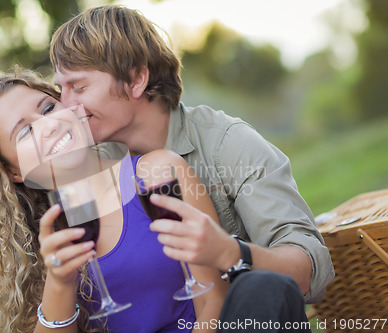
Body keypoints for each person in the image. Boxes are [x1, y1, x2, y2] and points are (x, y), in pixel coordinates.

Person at [50, 5, 335, 331]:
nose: (65, 105)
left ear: (136, 79)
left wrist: (231, 252)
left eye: (79, 87)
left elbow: (312, 274)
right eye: (61, 88)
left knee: (263, 286)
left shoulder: (227, 144)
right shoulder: (88, 173)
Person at [0, 69, 225, 333]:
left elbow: (214, 298)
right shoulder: (30, 244)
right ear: (13, 171)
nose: (48, 125)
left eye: (48, 108)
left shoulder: (157, 173)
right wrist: (59, 282)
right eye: (25, 132)